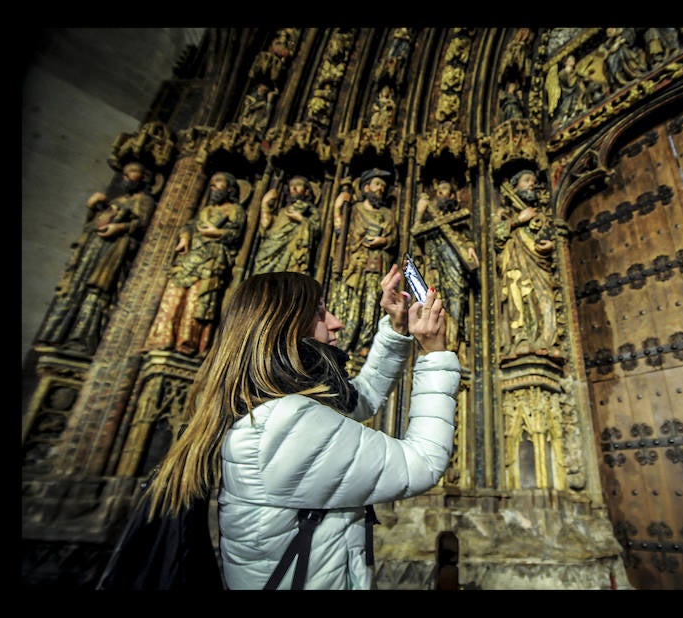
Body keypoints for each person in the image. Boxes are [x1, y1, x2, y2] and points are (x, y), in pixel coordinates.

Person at [141, 263, 460, 589]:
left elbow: (356, 400)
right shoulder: (284, 424)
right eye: (321, 313)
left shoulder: (267, 406)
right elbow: (421, 463)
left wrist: (395, 329)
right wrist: (435, 352)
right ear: (286, 327)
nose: (337, 323)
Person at [37, 161, 156, 355]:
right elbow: (91, 226)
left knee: (97, 292)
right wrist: (94, 210)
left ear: (144, 177)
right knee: (77, 289)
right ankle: (57, 335)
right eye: (124, 174)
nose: (126, 177)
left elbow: (143, 225)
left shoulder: (145, 201)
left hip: (113, 254)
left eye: (132, 172)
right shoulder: (116, 201)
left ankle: (82, 339)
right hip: (93, 252)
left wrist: (120, 227)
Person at [144, 171, 246, 357]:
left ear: (230, 189)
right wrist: (185, 237)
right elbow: (190, 226)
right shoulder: (206, 210)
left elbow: (235, 234)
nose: (213, 187)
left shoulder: (234, 210)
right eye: (212, 183)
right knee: (174, 296)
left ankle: (188, 342)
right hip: (190, 257)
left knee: (198, 299)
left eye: (219, 183)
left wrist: (217, 232)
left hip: (212, 256)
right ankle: (163, 338)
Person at [329, 168, 397, 359]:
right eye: (377, 185)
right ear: (366, 187)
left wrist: (382, 241)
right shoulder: (355, 209)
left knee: (370, 308)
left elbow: (393, 238)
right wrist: (337, 208)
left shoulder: (387, 214)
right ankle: (339, 345)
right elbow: (341, 233)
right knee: (349, 307)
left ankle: (364, 345)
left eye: (383, 186)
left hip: (376, 268)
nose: (380, 189)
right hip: (355, 267)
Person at [494, 169, 559, 359]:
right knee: (519, 298)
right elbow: (496, 237)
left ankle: (547, 341)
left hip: (540, 265)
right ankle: (520, 338)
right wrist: (518, 220)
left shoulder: (543, 215)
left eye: (533, 181)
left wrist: (551, 245)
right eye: (526, 180)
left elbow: (555, 238)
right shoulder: (504, 213)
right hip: (516, 263)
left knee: (545, 300)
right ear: (514, 187)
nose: (532, 184)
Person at [412, 180, 478, 353]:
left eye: (446, 189)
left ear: (452, 195)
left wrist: (470, 248)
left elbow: (466, 237)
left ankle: (453, 345)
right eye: (439, 190)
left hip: (455, 262)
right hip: (434, 263)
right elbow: (415, 234)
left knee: (456, 300)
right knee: (434, 300)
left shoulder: (457, 217)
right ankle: (431, 345)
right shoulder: (429, 219)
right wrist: (420, 211)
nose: (442, 194)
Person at [252, 175, 320, 275]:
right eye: (291, 186)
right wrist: (265, 204)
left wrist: (301, 219)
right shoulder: (283, 211)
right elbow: (267, 227)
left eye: (298, 185)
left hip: (292, 251)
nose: (294, 188)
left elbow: (316, 230)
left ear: (307, 191)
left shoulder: (310, 210)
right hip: (271, 248)